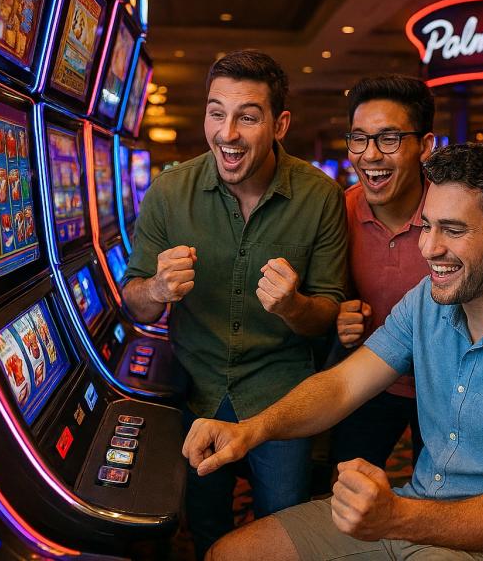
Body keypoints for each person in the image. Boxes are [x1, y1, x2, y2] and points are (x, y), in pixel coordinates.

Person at [185, 143, 483, 561]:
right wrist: (252, 430)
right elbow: (342, 386)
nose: (428, 248)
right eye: (427, 225)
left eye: (453, 229)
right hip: (411, 512)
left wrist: (396, 516)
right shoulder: (427, 301)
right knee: (230, 553)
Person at [121, 50, 348, 558]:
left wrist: (293, 306)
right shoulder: (168, 193)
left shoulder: (320, 197)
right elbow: (133, 302)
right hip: (196, 388)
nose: (227, 133)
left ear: (279, 123)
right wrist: (156, 290)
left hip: (280, 392)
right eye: (215, 112)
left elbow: (328, 314)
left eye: (247, 116)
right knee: (204, 526)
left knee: (283, 528)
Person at [331, 74, 436, 469]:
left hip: (446, 384)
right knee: (343, 487)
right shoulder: (339, 212)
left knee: (445, 504)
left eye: (389, 139)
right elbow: (327, 294)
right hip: (372, 377)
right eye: (359, 138)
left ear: (425, 146)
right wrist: (337, 313)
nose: (370, 155)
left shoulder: (455, 212)